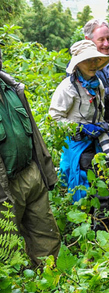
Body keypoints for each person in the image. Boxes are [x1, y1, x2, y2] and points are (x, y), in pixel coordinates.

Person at [0, 42, 60, 266]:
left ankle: (50, 289)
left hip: (30, 174)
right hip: (4, 186)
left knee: (46, 237)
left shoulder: (12, 88)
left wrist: (45, 172)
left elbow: (34, 134)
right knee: (8, 251)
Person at [49, 40, 109, 231]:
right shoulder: (67, 88)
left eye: (96, 60)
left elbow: (98, 111)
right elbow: (54, 119)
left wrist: (101, 126)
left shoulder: (98, 84)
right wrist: (80, 128)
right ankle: (83, 230)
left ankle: (103, 228)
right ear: (78, 64)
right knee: (82, 186)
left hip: (96, 143)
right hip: (77, 144)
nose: (94, 65)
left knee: (104, 183)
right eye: (89, 61)